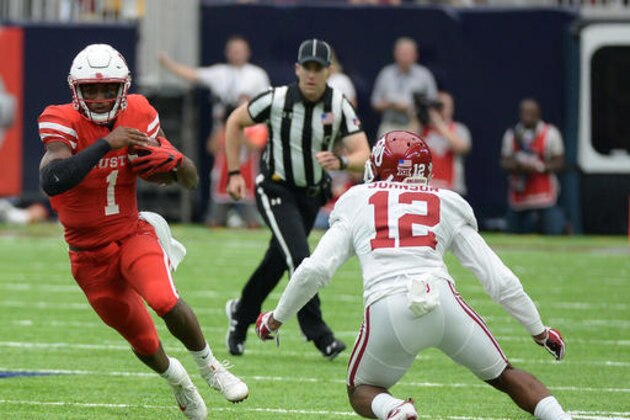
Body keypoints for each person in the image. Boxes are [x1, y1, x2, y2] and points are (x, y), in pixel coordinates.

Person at [255, 130, 571, 420]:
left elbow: (314, 270)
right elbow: (498, 279)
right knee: (505, 374)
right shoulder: (446, 201)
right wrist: (538, 329)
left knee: (360, 390)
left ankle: (396, 410)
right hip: (444, 302)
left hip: (388, 306)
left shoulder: (356, 200)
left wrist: (276, 319)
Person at [38, 44, 248, 420]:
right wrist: (107, 143)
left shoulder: (138, 111)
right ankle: (178, 380)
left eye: (107, 89)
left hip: (132, 232)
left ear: (124, 87)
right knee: (142, 338)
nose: (100, 98)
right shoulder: (60, 120)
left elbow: (187, 178)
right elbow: (53, 180)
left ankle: (211, 366)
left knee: (164, 299)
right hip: (88, 255)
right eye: (90, 90)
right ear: (75, 90)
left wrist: (177, 162)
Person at [224, 38, 371, 359]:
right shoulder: (277, 99)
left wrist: (343, 162)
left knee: (277, 261)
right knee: (301, 259)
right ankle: (320, 336)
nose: (312, 74)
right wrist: (234, 173)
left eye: (319, 68)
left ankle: (240, 316)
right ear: (297, 69)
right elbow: (235, 121)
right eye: (307, 67)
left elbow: (365, 153)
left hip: (310, 196)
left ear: (329, 71)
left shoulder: (338, 105)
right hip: (275, 187)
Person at [159, 35, 270, 227]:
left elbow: (265, 111)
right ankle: (222, 212)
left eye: (240, 50)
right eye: (233, 50)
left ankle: (247, 214)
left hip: (247, 144)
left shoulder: (257, 76)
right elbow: (194, 75)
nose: (236, 54)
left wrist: (246, 129)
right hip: (224, 141)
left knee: (251, 212)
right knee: (217, 199)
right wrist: (168, 64)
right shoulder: (220, 74)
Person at [500, 98, 565, 234]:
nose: (527, 116)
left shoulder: (550, 133)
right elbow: (504, 161)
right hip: (519, 193)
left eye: (531, 113)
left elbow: (559, 162)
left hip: (543, 194)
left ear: (538, 114)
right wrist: (517, 166)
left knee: (553, 232)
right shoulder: (511, 134)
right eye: (524, 113)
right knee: (512, 235)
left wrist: (539, 167)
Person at [371, 37, 438, 137]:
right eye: (402, 53)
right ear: (395, 53)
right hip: (389, 125)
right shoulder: (386, 74)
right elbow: (374, 102)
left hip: (414, 126)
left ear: (415, 55)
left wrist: (411, 107)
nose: (405, 56)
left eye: (408, 53)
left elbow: (432, 102)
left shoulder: (424, 75)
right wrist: (390, 104)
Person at [420, 91, 471, 195]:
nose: (439, 109)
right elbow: (404, 146)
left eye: (442, 106)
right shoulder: (422, 130)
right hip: (426, 188)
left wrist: (439, 124)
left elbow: (462, 148)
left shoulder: (458, 129)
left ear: (451, 108)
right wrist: (417, 118)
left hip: (451, 189)